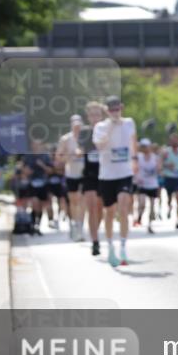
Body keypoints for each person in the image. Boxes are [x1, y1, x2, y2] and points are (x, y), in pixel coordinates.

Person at [92, 95, 138, 267]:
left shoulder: (129, 122)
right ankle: (110, 246)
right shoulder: (100, 126)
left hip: (125, 172)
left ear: (122, 108)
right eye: (111, 109)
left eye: (117, 109)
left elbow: (134, 141)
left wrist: (135, 160)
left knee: (124, 206)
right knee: (109, 213)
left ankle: (124, 246)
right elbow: (100, 146)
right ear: (107, 111)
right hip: (107, 175)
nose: (115, 112)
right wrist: (110, 127)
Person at [80, 101, 106, 255]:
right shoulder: (84, 132)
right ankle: (95, 241)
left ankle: (95, 231)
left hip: (105, 174)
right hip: (89, 174)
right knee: (91, 208)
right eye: (92, 115)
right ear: (88, 117)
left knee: (100, 208)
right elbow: (80, 147)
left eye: (97, 114)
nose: (95, 117)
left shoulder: (107, 130)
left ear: (102, 116)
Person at [55, 115, 86, 241]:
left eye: (79, 125)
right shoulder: (65, 139)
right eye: (75, 126)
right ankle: (74, 223)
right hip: (71, 173)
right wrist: (70, 156)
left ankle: (80, 227)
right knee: (73, 201)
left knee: (82, 201)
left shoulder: (86, 137)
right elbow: (58, 156)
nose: (77, 128)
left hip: (84, 174)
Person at [22, 139, 53, 234]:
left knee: (40, 206)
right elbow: (24, 171)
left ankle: (37, 225)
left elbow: (50, 170)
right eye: (34, 145)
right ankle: (32, 223)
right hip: (32, 183)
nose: (36, 147)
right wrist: (27, 172)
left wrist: (42, 165)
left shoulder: (45, 156)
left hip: (43, 183)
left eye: (38, 145)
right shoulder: (28, 156)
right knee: (34, 203)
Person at [160, 132, 178, 229]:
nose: (175, 141)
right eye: (173, 140)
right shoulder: (166, 152)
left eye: (176, 139)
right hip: (168, 177)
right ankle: (169, 207)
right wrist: (166, 165)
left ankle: (177, 220)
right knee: (169, 198)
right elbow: (160, 164)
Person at [134, 138, 159, 233]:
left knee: (152, 206)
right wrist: (137, 178)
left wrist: (158, 168)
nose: (144, 148)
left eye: (146, 146)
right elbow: (135, 168)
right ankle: (139, 216)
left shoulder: (154, 157)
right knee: (142, 203)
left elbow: (159, 168)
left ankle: (150, 224)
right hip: (142, 184)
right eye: (142, 146)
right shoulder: (138, 157)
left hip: (153, 184)